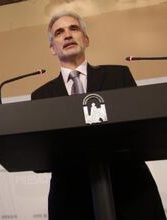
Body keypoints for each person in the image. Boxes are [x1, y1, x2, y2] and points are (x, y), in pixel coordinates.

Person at [31, 11, 166, 220]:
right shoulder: (41, 96)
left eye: (73, 29)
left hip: (131, 193)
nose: (67, 35)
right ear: (52, 48)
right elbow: (42, 155)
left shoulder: (118, 76)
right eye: (59, 32)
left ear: (85, 39)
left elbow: (139, 133)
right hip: (71, 200)